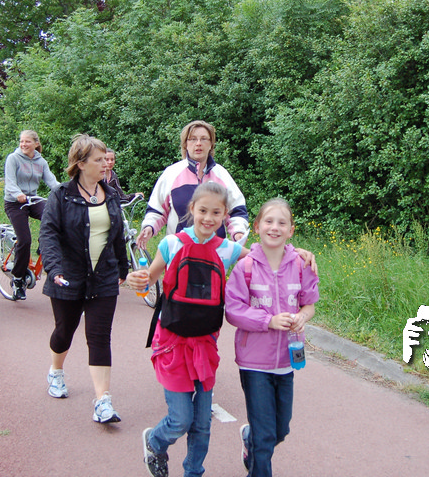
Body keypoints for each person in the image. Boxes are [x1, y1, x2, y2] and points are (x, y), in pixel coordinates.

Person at [127, 182, 245, 477]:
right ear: (192, 209)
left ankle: (193, 472)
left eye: (216, 212)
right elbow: (150, 277)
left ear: (225, 215)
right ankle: (155, 441)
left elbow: (265, 257)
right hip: (172, 341)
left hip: (205, 343)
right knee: (181, 418)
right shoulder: (171, 243)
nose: (208, 218)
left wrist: (297, 253)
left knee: (202, 423)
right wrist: (137, 279)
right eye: (203, 210)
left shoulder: (229, 249)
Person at [224, 198, 319, 477]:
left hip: (287, 361)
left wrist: (302, 317)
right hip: (254, 362)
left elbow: (309, 305)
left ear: (291, 230)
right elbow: (233, 310)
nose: (274, 227)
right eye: (268, 221)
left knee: (280, 430)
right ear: (256, 227)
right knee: (265, 436)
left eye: (282, 223)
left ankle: (250, 438)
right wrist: (269, 321)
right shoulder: (245, 267)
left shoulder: (301, 265)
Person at [40, 134, 129, 424]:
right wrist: (54, 269)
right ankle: (56, 371)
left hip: (103, 277)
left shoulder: (111, 194)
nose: (105, 164)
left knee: (99, 337)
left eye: (106, 159)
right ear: (80, 164)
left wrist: (123, 269)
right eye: (98, 160)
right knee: (64, 330)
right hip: (68, 275)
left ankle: (103, 401)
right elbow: (48, 234)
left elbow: (117, 235)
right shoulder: (61, 195)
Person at [136, 121, 249, 251]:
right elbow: (156, 210)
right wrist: (149, 227)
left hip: (215, 254)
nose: (198, 143)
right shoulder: (171, 174)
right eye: (193, 139)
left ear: (211, 144)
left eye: (204, 139)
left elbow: (237, 210)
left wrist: (238, 232)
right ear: (185, 144)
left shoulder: (222, 175)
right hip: (178, 253)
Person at [3, 130, 61, 300]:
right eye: (21, 141)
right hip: (15, 202)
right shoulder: (13, 159)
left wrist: (65, 192)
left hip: (32, 200)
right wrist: (18, 194)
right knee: (24, 240)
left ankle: (44, 245)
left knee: (53, 216)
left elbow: (51, 181)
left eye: (27, 141)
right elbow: (10, 182)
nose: (23, 144)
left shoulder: (41, 162)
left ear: (36, 143)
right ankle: (18, 279)